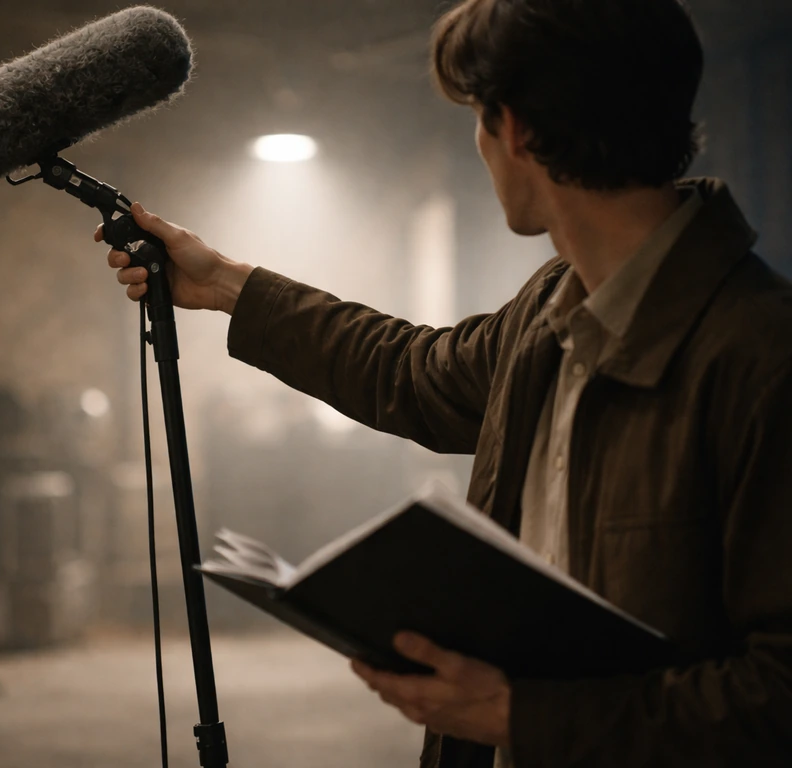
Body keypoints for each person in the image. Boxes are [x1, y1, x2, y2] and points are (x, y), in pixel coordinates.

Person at [96, 0, 792, 765]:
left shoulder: (762, 356)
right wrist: (228, 284)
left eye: (477, 118)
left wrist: (522, 716)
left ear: (513, 129)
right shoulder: (549, 313)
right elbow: (410, 371)